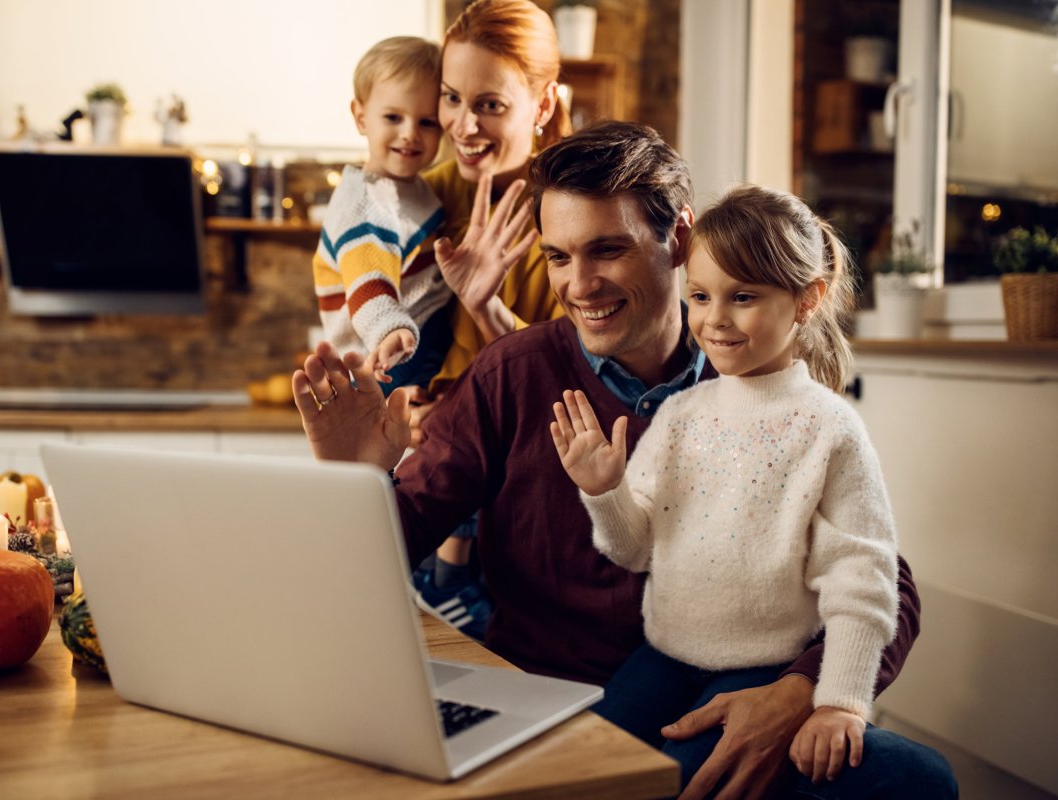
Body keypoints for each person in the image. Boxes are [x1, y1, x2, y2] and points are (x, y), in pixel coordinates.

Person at [292, 120, 956, 798]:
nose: (579, 285)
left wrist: (797, 694)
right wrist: (358, 479)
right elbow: (377, 556)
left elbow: (885, 584)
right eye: (557, 257)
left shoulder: (762, 386)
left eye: (606, 250)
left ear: (680, 239)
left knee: (919, 783)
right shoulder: (510, 376)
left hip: (730, 691)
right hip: (549, 706)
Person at [551, 182, 909, 788]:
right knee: (588, 774)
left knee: (694, 783)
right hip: (662, 658)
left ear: (807, 300)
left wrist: (840, 701)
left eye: (742, 296)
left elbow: (864, 577)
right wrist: (604, 491)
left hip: (763, 671)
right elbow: (633, 549)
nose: (714, 319)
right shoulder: (682, 415)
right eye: (699, 296)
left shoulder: (828, 428)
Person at [407, 0, 574, 639]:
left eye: (491, 105)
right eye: (452, 98)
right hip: (426, 488)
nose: (463, 124)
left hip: (527, 516)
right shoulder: (423, 193)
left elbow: (589, 377)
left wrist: (486, 307)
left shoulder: (578, 211)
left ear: (544, 103)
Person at [311, 36, 451, 392]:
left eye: (427, 123)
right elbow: (368, 282)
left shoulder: (412, 186)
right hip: (385, 355)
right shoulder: (364, 204)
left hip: (415, 335)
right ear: (361, 117)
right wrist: (391, 330)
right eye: (393, 117)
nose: (409, 134)